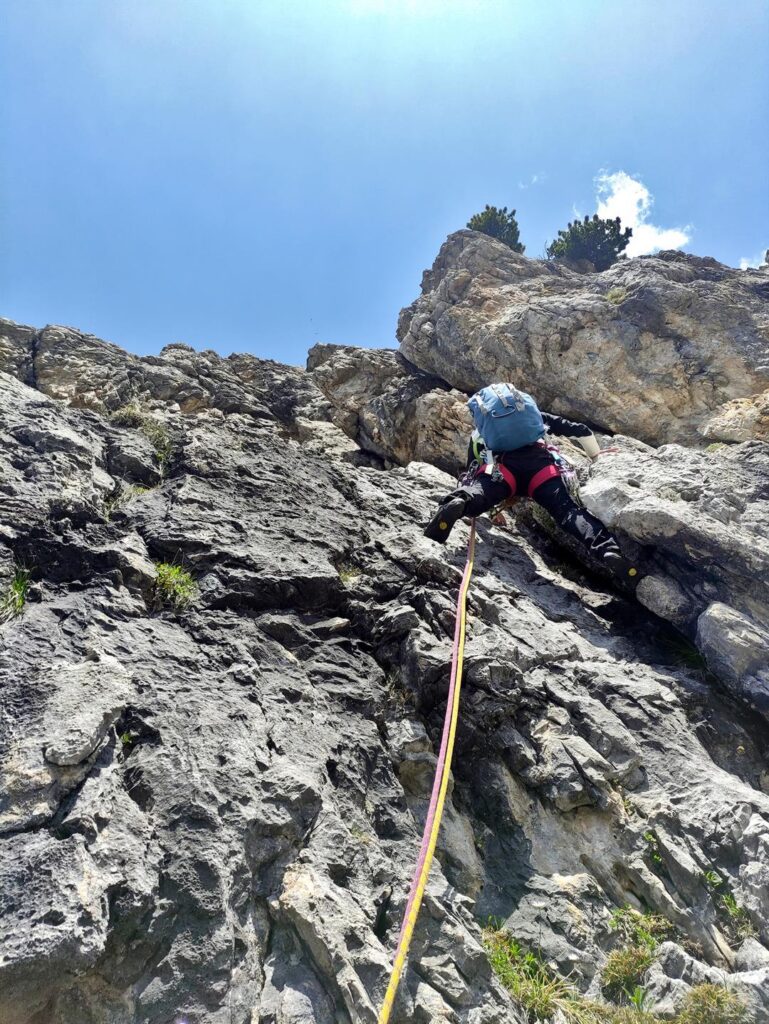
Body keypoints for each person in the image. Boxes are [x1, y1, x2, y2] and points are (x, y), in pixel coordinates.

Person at [424, 382, 639, 583]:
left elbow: (470, 475)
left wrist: (487, 508)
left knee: (479, 492)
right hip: (541, 468)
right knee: (568, 512)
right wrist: (596, 456)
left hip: (503, 470)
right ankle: (607, 550)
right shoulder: (536, 418)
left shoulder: (479, 434)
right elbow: (580, 430)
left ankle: (460, 502)